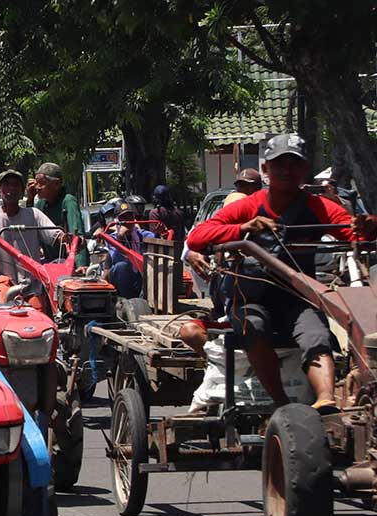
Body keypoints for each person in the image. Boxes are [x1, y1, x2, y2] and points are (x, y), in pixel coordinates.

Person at [187, 133, 377, 411]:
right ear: (266, 170)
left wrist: (368, 226)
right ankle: (281, 405)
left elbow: (353, 232)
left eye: (294, 165)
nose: (287, 171)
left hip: (297, 298)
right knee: (254, 327)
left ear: (304, 170)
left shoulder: (319, 207)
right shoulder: (248, 206)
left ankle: (325, 401)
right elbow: (197, 238)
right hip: (252, 299)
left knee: (317, 334)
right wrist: (243, 228)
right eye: (279, 165)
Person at [0, 169, 64, 313]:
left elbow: (55, 235)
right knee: (9, 314)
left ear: (22, 190)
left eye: (16, 185)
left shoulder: (34, 214)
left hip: (32, 285)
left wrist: (65, 238)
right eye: (7, 184)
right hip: (1, 281)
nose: (11, 189)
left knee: (41, 319)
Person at [28, 162, 88, 269]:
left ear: (56, 184)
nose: (37, 187)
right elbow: (28, 230)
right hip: (49, 263)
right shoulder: (40, 205)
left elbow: (77, 235)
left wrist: (81, 265)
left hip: (68, 263)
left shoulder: (68, 201)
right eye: (36, 183)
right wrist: (30, 200)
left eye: (42, 183)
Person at [104, 200, 154, 298]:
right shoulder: (112, 238)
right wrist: (120, 238)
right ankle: (127, 299)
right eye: (123, 217)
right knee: (122, 266)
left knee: (152, 265)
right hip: (118, 277)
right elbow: (114, 258)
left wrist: (160, 233)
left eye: (130, 216)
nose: (127, 220)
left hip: (138, 275)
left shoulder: (140, 234)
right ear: (117, 220)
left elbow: (156, 237)